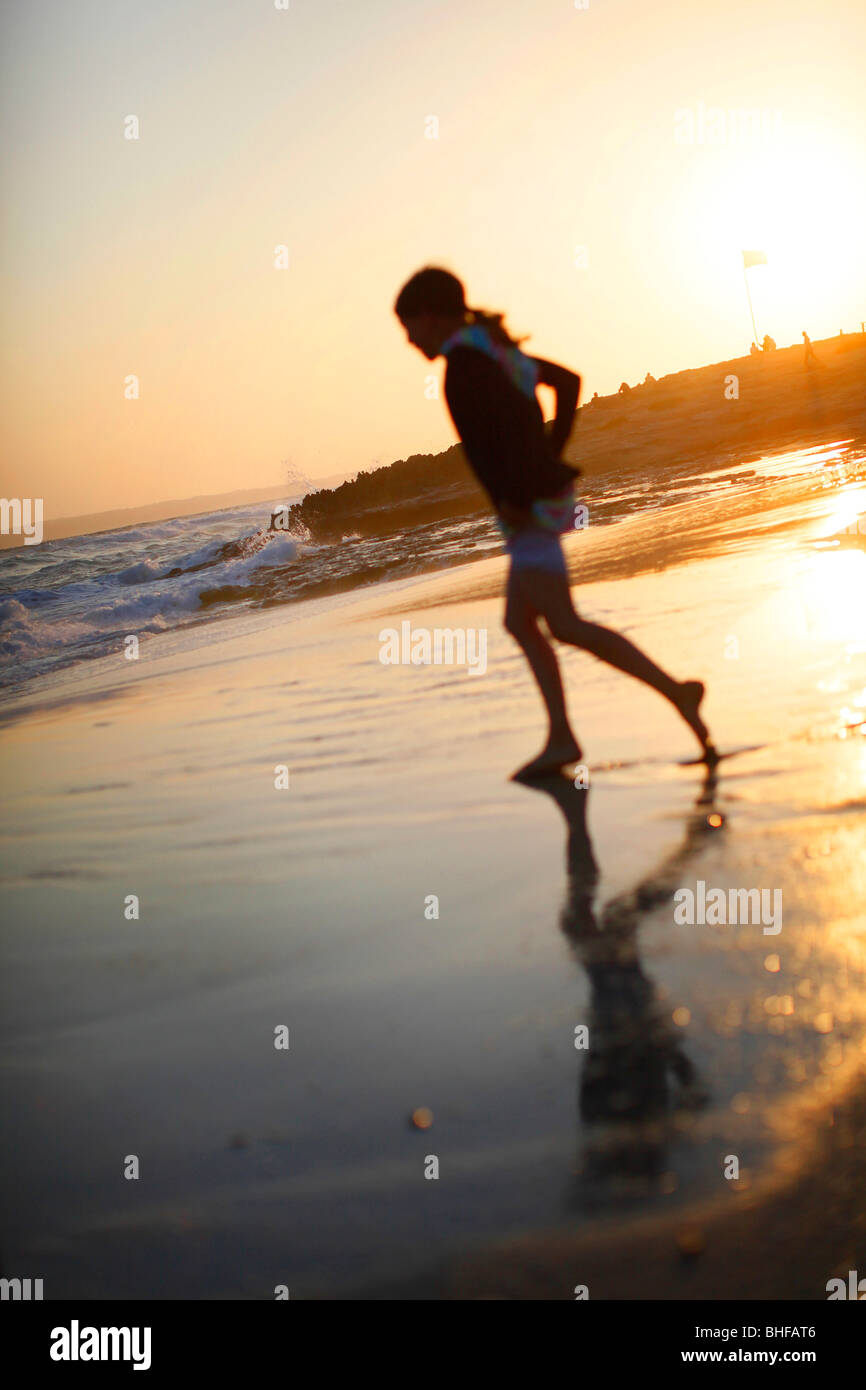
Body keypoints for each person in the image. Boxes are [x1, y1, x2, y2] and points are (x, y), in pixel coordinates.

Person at [393, 265, 716, 776]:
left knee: (563, 623)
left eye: (409, 326)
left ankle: (675, 693)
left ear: (430, 317)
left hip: (530, 508)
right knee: (520, 622)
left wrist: (525, 486)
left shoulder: (468, 363)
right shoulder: (491, 347)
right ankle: (563, 737)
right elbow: (566, 383)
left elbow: (497, 443)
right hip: (539, 498)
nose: (409, 339)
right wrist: (551, 454)